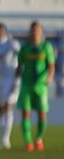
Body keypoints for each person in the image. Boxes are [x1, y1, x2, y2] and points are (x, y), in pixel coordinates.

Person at [16, 21, 55, 152]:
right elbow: (19, 65)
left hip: (41, 86)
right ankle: (28, 142)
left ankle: (38, 138)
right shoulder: (25, 48)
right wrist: (15, 79)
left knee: (42, 114)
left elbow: (51, 66)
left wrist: (49, 77)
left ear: (41, 32)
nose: (35, 32)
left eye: (37, 30)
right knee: (25, 113)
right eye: (33, 30)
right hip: (27, 84)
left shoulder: (46, 47)